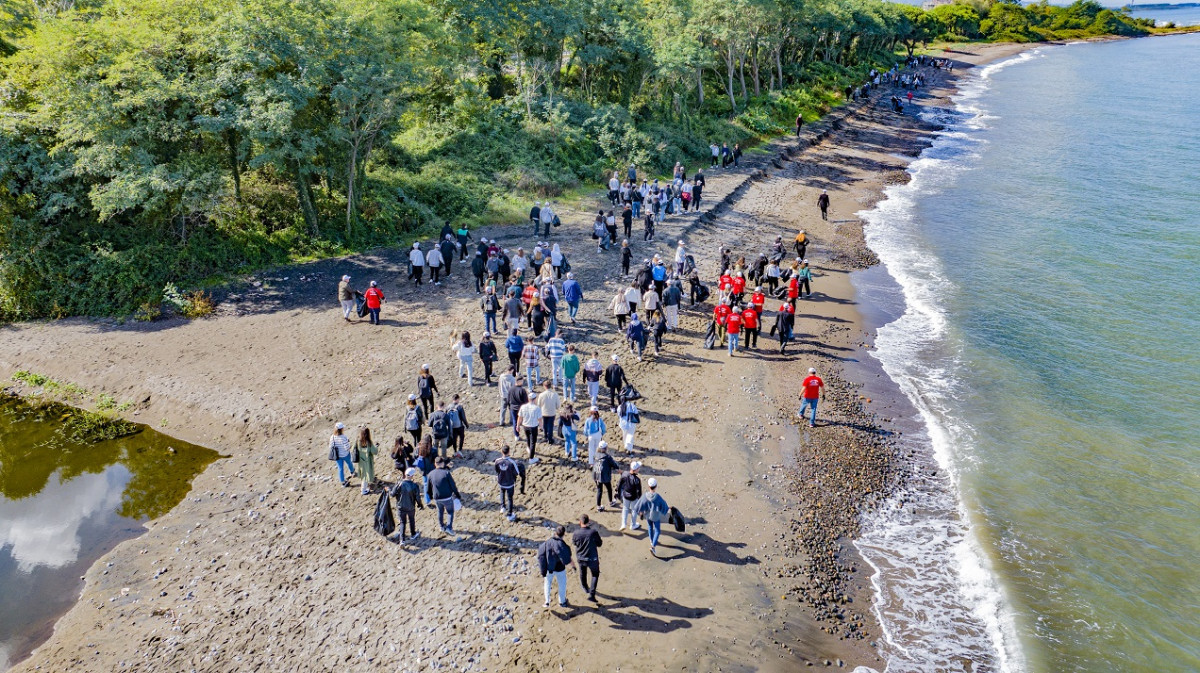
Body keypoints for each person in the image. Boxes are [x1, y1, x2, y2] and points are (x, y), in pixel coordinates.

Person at [537, 525, 574, 608]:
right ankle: (562, 602)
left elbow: (540, 556)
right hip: (560, 569)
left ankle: (547, 601)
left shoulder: (546, 543)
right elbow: (568, 558)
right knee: (562, 585)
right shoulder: (563, 545)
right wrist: (573, 566)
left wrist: (543, 570)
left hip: (549, 568)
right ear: (563, 534)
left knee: (547, 583)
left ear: (555, 533)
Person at [425, 456, 462, 535]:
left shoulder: (430, 474)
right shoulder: (446, 473)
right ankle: (449, 528)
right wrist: (457, 495)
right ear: (442, 463)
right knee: (450, 512)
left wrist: (431, 497)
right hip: (447, 497)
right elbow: (453, 485)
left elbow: (428, 488)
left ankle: (441, 527)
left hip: (437, 498)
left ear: (435, 464)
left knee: (440, 511)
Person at [571, 515, 603, 602]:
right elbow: (599, 544)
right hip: (592, 558)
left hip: (581, 558)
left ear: (580, 522)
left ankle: (585, 587)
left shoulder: (576, 533)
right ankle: (592, 594)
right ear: (588, 522)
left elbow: (574, 543)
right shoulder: (593, 532)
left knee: (582, 573)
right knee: (595, 574)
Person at [635, 478, 669, 555]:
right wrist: (668, 508)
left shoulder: (645, 496)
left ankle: (651, 540)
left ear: (648, 486)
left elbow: (639, 505)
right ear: (656, 486)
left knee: (650, 527)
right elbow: (663, 505)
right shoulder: (657, 497)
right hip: (655, 516)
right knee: (657, 530)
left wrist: (640, 513)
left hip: (647, 515)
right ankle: (653, 546)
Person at [391, 467, 424, 543]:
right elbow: (418, 498)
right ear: (412, 476)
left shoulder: (399, 483)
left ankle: (402, 540)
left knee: (402, 522)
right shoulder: (415, 486)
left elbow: (392, 494)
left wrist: (388, 490)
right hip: (410, 507)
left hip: (400, 507)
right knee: (412, 520)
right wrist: (420, 505)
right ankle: (413, 534)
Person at [494, 445, 525, 521]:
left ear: (502, 451)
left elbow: (497, 470)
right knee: (510, 498)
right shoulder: (512, 462)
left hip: (501, 482)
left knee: (502, 492)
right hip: (510, 483)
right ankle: (510, 514)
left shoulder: (497, 461)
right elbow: (517, 472)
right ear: (509, 452)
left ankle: (502, 507)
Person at [592, 443, 620, 511]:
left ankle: (598, 506)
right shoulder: (607, 457)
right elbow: (615, 465)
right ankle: (611, 502)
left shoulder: (595, 454)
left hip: (596, 475)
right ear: (606, 448)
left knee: (599, 490)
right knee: (609, 489)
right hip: (604, 476)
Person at [617, 461, 643, 531]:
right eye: (638, 468)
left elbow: (619, 484)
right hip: (633, 497)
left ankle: (623, 524)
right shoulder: (637, 480)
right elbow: (639, 491)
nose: (639, 469)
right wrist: (640, 500)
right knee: (634, 510)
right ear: (636, 470)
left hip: (625, 495)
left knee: (625, 509)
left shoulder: (625, 474)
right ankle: (633, 525)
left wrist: (619, 493)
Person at [536, 380, 561, 448]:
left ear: (544, 386)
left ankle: (545, 436)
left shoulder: (541, 395)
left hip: (544, 412)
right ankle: (550, 439)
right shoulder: (555, 394)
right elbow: (558, 405)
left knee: (545, 425)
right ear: (551, 386)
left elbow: (539, 405)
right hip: (552, 413)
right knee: (550, 425)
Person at [329, 422, 354, 487]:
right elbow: (347, 447)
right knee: (349, 463)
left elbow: (330, 446)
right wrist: (349, 445)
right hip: (345, 454)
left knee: (340, 468)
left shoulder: (332, 437)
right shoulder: (344, 437)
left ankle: (342, 481)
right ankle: (352, 472)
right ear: (342, 429)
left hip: (337, 456)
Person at [355, 427, 379, 495]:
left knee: (363, 473)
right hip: (368, 461)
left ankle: (365, 487)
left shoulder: (358, 441)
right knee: (366, 475)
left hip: (361, 461)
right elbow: (374, 452)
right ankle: (363, 490)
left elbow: (354, 449)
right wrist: (377, 446)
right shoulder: (369, 442)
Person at [518, 395, 542, 463]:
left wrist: (517, 426)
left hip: (525, 426)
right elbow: (540, 419)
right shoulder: (537, 408)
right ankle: (531, 458)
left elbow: (519, 417)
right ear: (534, 399)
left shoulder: (523, 407)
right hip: (533, 427)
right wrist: (541, 427)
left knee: (528, 438)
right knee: (533, 442)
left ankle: (529, 449)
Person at [506, 375, 530, 440]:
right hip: (521, 409)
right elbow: (526, 401)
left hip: (513, 408)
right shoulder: (522, 390)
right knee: (525, 421)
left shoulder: (511, 389)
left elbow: (508, 399)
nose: (523, 382)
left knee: (515, 421)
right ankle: (527, 433)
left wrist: (509, 407)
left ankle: (516, 435)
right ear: (519, 381)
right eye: (522, 381)